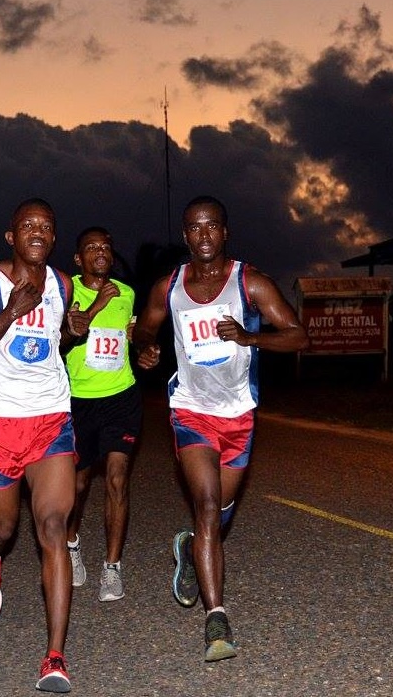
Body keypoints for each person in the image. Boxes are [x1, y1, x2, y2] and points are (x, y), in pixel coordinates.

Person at [133, 195, 309, 663]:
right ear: (185, 234)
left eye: (212, 226)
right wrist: (146, 352)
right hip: (190, 409)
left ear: (225, 231)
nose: (204, 235)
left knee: (220, 511)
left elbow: (298, 335)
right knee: (207, 504)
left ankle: (190, 548)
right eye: (195, 227)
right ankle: (216, 618)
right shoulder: (168, 287)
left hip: (239, 414)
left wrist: (250, 337)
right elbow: (144, 331)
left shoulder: (249, 282)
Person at [0, 198, 80, 694]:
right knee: (1, 527)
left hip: (51, 419)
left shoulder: (63, 284)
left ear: (53, 236)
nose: (38, 232)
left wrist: (72, 332)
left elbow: (50, 342)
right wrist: (8, 313)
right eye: (28, 225)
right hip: (0, 423)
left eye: (46, 225)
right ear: (11, 236)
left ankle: (55, 656)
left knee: (52, 525)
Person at [62, 227, 141, 603]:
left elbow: (131, 340)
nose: (100, 251)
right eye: (91, 247)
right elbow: (66, 336)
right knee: (77, 487)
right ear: (79, 259)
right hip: (79, 399)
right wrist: (95, 305)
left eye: (106, 246)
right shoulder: (66, 292)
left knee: (116, 479)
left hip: (121, 397)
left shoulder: (127, 294)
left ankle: (112, 567)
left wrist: (144, 351)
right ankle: (72, 543)